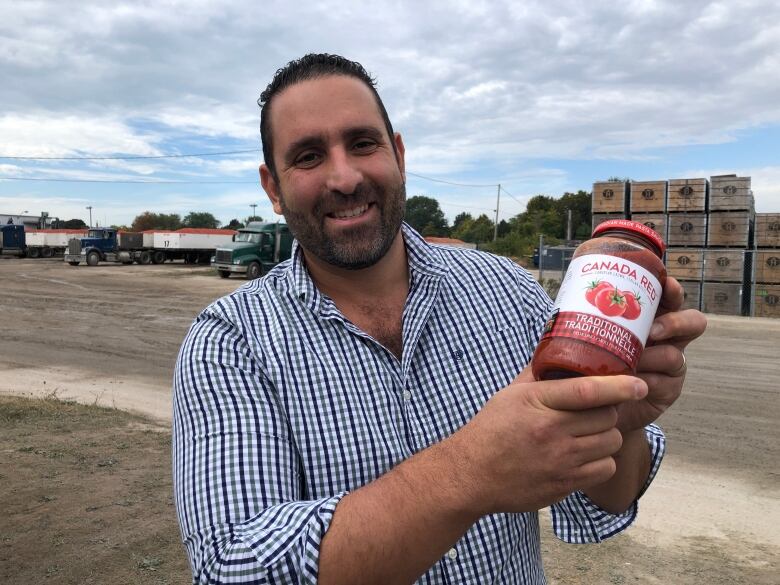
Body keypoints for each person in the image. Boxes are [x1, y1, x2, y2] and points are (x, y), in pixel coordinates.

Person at [173, 53, 707, 584]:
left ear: (399, 154)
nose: (344, 177)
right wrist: (467, 473)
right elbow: (233, 568)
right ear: (272, 188)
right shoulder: (229, 342)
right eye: (309, 156)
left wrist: (622, 424)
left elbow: (605, 499)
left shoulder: (510, 290)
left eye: (363, 143)